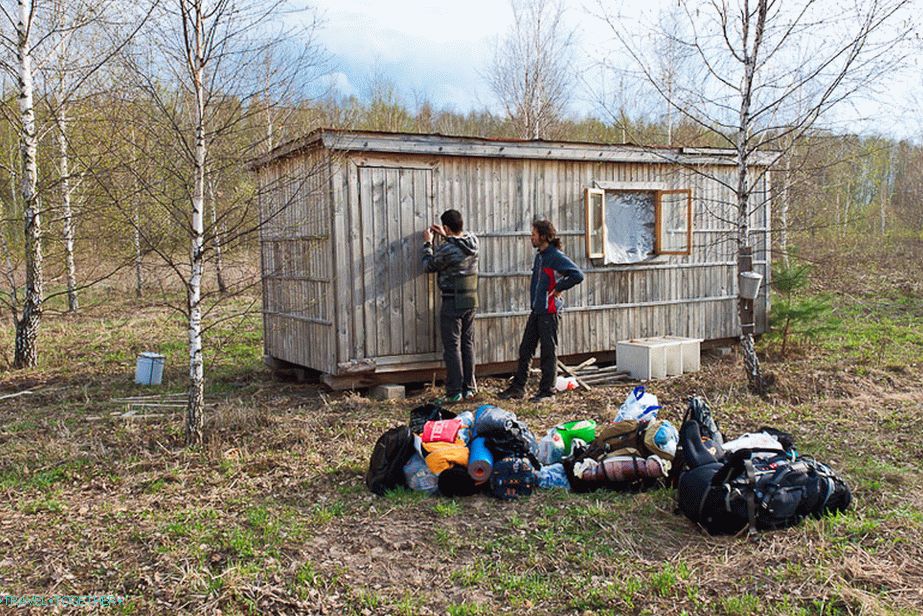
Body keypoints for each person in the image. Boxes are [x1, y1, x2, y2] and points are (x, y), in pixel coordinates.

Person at [499, 219, 584, 403]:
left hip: (550, 311)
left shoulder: (555, 256)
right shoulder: (540, 255)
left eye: (534, 234)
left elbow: (577, 275)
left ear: (544, 236)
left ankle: (547, 392)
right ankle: (518, 388)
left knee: (548, 351)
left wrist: (560, 287)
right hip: (537, 309)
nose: (532, 237)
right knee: (526, 349)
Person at [422, 209, 479, 403]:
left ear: (446, 227)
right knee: (467, 343)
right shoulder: (474, 241)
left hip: (452, 300)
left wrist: (428, 243)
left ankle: (454, 391)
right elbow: (459, 243)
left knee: (452, 346)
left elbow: (429, 265)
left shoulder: (446, 249)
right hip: (470, 299)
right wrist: (447, 236)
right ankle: (469, 388)